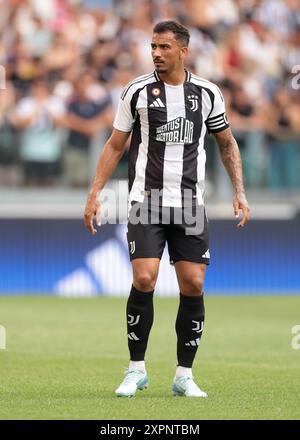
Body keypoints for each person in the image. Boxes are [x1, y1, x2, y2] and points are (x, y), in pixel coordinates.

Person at [84, 20, 250, 398]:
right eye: (153, 46)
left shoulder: (207, 94)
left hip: (190, 203)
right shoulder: (137, 92)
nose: (156, 53)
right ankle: (136, 369)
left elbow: (227, 144)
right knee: (145, 278)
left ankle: (183, 375)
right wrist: (94, 193)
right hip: (147, 201)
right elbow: (114, 145)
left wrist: (239, 191)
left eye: (164, 47)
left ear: (183, 50)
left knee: (193, 284)